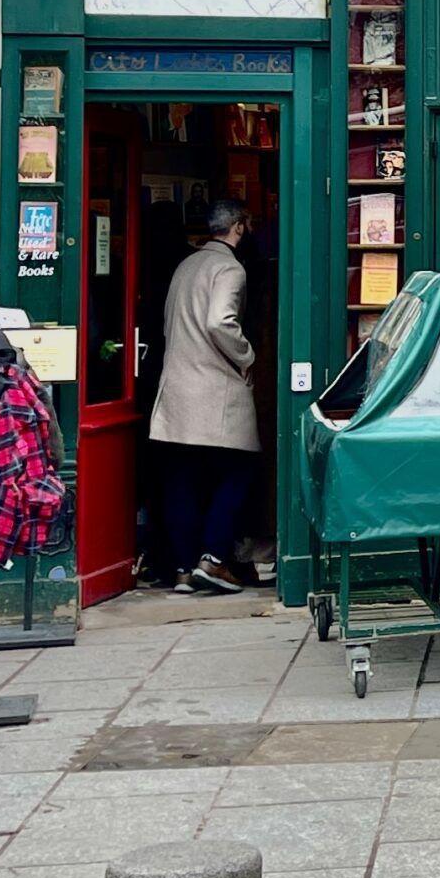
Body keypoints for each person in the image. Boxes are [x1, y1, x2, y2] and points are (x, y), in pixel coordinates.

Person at [150, 198, 259, 596]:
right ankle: (214, 558)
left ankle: (181, 569)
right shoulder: (230, 268)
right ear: (240, 227)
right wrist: (247, 357)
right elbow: (219, 321)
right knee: (239, 471)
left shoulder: (186, 264)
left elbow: (168, 323)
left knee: (182, 479)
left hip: (177, 388)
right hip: (216, 388)